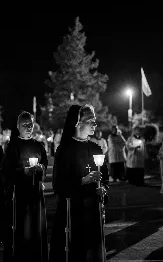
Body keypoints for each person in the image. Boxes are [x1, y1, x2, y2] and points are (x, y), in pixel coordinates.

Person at [49, 104, 108, 262]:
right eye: (90, 121)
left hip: (92, 211)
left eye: (95, 121)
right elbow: (58, 184)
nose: (94, 125)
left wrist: (103, 189)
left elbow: (105, 177)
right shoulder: (64, 150)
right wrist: (83, 180)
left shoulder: (96, 148)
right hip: (72, 211)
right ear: (77, 122)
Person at [1, 111, 49, 261]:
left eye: (31, 124)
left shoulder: (38, 145)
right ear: (18, 126)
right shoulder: (12, 146)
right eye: (25, 124)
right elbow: (6, 171)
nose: (28, 127)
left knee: (36, 229)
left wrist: (41, 169)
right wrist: (24, 171)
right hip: (19, 194)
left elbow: (45, 164)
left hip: (36, 194)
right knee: (22, 229)